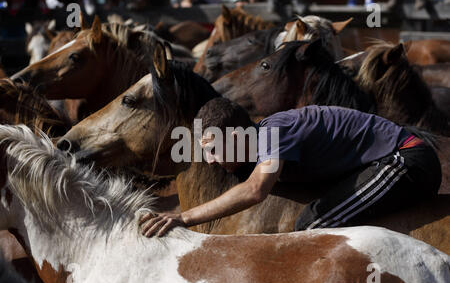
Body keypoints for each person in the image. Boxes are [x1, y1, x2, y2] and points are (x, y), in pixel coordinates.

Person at [139, 98, 442, 237]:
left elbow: (256, 191)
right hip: (385, 162)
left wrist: (184, 217)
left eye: (214, 150)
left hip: (407, 158)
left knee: (311, 225)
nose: (210, 161)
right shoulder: (259, 142)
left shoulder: (274, 132)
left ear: (235, 136)